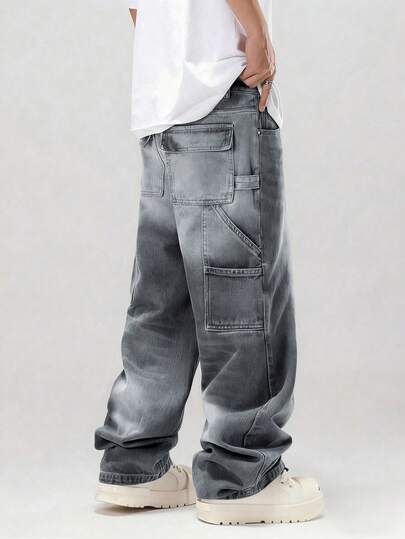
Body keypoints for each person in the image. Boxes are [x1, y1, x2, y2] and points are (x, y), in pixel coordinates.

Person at [95, 0, 324, 525]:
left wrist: (172, 53)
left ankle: (136, 462)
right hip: (223, 92)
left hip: (162, 109)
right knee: (242, 296)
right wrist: (256, 31)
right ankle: (243, 475)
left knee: (161, 303)